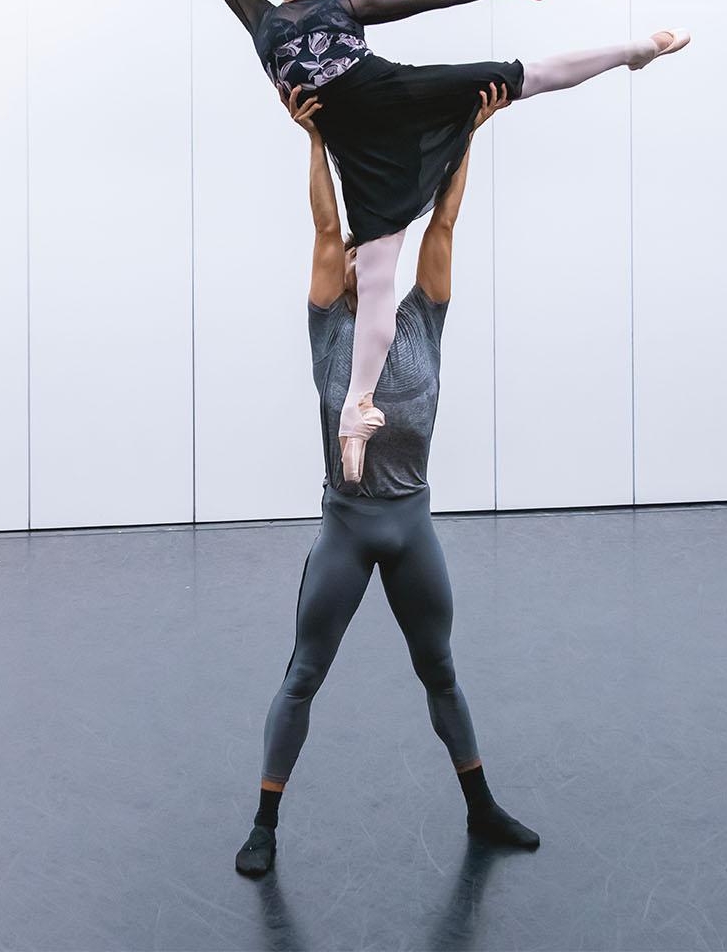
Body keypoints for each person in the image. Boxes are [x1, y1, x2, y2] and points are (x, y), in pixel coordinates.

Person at [121, 0, 690, 485]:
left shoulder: (341, 7)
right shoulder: (257, 17)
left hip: (391, 91)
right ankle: (357, 408)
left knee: (507, 75)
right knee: (380, 271)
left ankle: (634, 50)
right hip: (358, 148)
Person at [234, 78, 541, 879]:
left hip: (411, 525)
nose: (353, 256)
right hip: (347, 525)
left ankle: (481, 809)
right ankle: (265, 823)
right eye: (348, 256)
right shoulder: (329, 326)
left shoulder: (424, 320)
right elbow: (326, 223)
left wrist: (469, 134)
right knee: (304, 675)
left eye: (367, 252)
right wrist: (314, 142)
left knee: (439, 669)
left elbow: (444, 219)